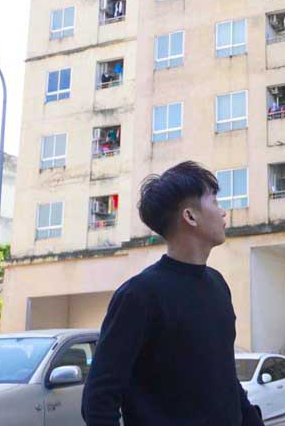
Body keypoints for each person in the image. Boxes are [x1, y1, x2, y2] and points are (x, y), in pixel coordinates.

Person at [81, 161, 264, 426]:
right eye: (214, 201)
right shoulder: (139, 295)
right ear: (190, 216)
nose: (223, 211)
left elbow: (223, 378)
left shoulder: (217, 285)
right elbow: (98, 400)